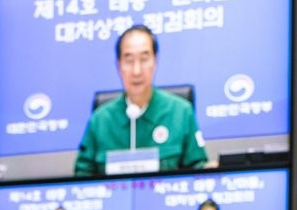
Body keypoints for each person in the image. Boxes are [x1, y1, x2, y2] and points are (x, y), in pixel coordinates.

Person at [73, 25, 208, 176]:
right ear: (118, 66)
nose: (136, 71)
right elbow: (82, 178)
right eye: (129, 60)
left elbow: (199, 173)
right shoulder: (100, 120)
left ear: (155, 61)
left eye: (144, 59)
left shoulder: (181, 113)